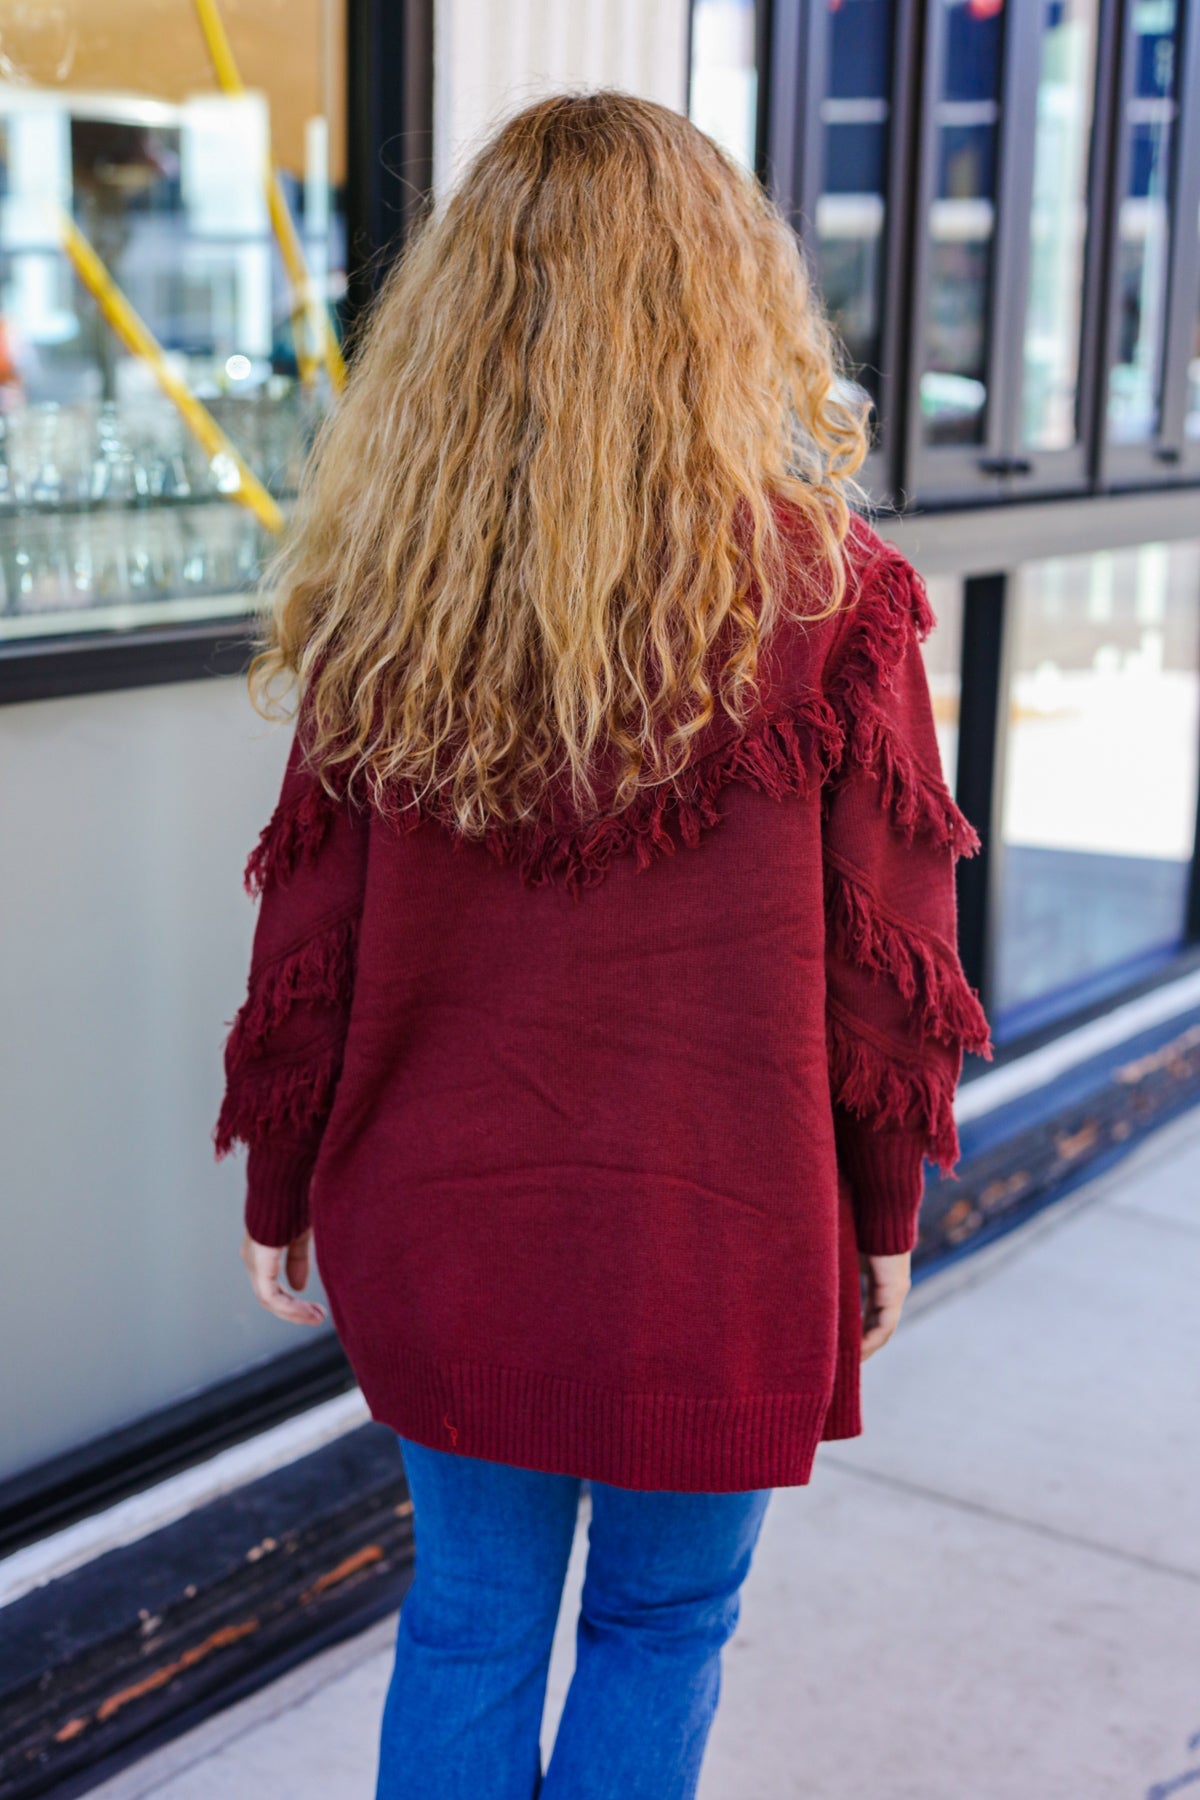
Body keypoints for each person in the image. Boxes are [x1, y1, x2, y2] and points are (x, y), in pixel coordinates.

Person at [214, 90, 992, 1800]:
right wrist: (881, 1214)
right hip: (718, 1236)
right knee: (661, 1633)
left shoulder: (382, 604)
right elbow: (891, 964)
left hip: (443, 1226)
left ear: (459, 327)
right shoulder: (831, 599)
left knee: (469, 1623)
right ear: (728, 305)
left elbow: (308, 937)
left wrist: (279, 1183)